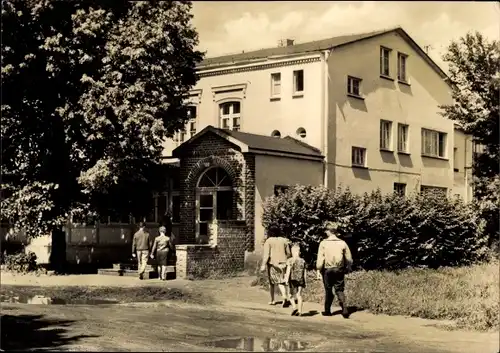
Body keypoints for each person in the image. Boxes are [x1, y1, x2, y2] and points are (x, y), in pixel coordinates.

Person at [316, 221, 353, 318]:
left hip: (327, 270)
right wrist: (348, 267)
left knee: (328, 290)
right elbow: (349, 258)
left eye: (326, 230)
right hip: (339, 269)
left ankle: (327, 310)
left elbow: (320, 260)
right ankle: (344, 307)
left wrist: (318, 270)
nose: (325, 232)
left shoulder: (323, 243)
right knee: (339, 289)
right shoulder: (342, 243)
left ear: (329, 231)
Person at [260, 225, 292, 307]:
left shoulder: (269, 241)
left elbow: (266, 255)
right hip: (284, 263)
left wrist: (263, 265)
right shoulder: (284, 240)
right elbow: (288, 253)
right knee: (281, 280)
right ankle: (284, 297)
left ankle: (274, 299)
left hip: (273, 264)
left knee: (273, 282)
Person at [285, 243, 307, 316]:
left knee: (290, 295)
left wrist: (286, 279)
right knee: (299, 295)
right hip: (301, 280)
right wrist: (305, 280)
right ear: (299, 252)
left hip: (292, 279)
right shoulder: (303, 261)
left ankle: (294, 307)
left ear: (292, 252)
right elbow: (305, 272)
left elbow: (288, 271)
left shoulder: (290, 260)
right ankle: (300, 311)